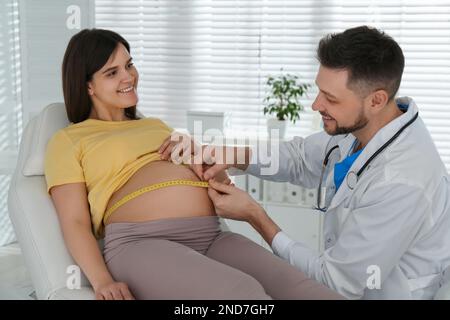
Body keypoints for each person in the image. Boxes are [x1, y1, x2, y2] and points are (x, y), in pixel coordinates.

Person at [44, 28, 344, 300]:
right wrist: (102, 282)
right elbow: (75, 222)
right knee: (243, 295)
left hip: (210, 234)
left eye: (129, 64)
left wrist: (197, 153)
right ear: (88, 87)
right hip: (141, 243)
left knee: (306, 291)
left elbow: (221, 184)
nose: (129, 77)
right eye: (112, 73)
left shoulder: (156, 126)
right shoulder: (70, 140)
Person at [161, 26, 450, 299]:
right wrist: (221, 153)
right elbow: (299, 158)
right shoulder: (365, 126)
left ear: (376, 100)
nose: (316, 105)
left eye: (330, 98)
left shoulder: (403, 181)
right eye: (319, 91)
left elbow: (338, 282)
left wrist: (255, 216)